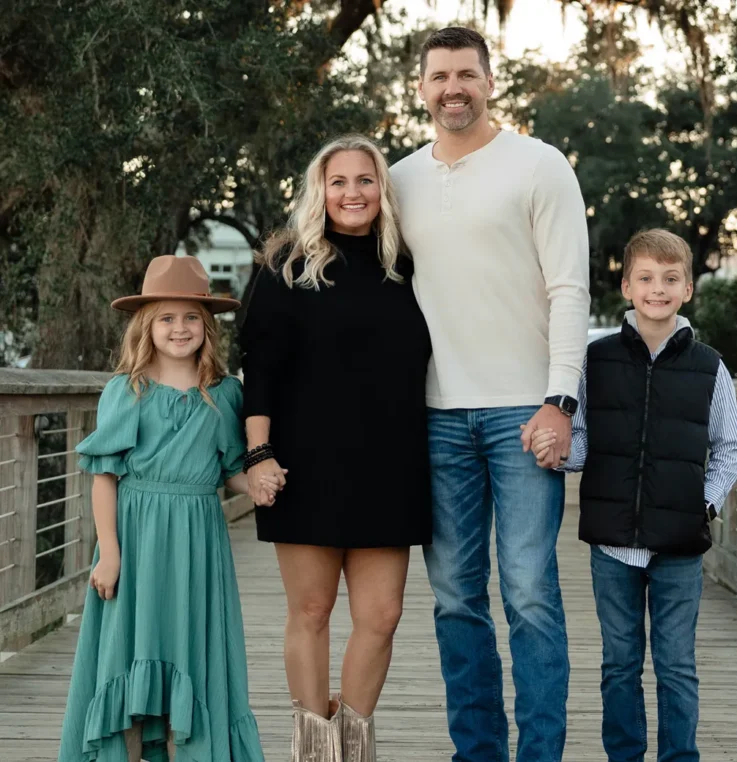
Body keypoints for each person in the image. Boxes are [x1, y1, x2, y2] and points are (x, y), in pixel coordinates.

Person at [389, 26, 591, 762]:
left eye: (466, 74)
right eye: (440, 76)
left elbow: (570, 289)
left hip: (525, 412)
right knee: (454, 597)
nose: (454, 89)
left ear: (489, 81)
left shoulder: (539, 164)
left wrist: (560, 401)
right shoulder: (398, 180)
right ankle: (476, 753)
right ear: (420, 88)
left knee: (530, 594)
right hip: (435, 415)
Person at [239, 134, 432, 761]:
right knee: (312, 609)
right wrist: (258, 455)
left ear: (383, 190)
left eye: (365, 180)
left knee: (382, 615)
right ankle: (314, 752)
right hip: (306, 463)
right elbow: (260, 368)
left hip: (391, 464)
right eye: (339, 181)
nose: (353, 193)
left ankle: (352, 746)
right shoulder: (286, 266)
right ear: (319, 191)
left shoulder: (409, 264)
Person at [532, 229, 737, 762]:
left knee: (676, 666)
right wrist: (560, 453)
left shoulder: (710, 366)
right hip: (613, 546)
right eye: (646, 278)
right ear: (627, 286)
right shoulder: (595, 360)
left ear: (688, 289)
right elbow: (582, 438)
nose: (658, 289)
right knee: (619, 664)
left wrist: (705, 505)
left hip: (679, 545)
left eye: (670, 279)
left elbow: (729, 447)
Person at [57, 256, 264, 762]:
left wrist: (259, 484)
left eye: (191, 317)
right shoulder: (127, 390)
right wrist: (109, 553)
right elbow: (104, 477)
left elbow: (229, 470)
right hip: (135, 541)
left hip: (197, 544)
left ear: (207, 326)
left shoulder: (225, 393)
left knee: (190, 654)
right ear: (146, 326)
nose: (179, 328)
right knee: (126, 659)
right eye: (166, 318)